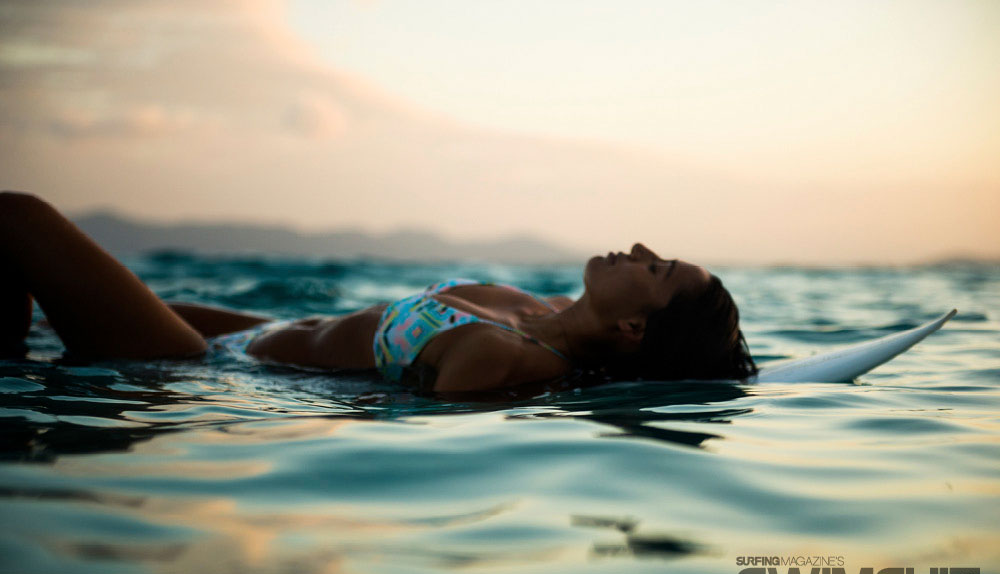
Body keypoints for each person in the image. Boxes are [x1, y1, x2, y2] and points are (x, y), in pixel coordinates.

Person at [0, 192, 756, 392]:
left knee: (20, 221)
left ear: (632, 330)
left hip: (195, 368)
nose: (643, 250)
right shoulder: (536, 310)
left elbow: (402, 403)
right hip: (247, 332)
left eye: (655, 271)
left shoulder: (513, 358)